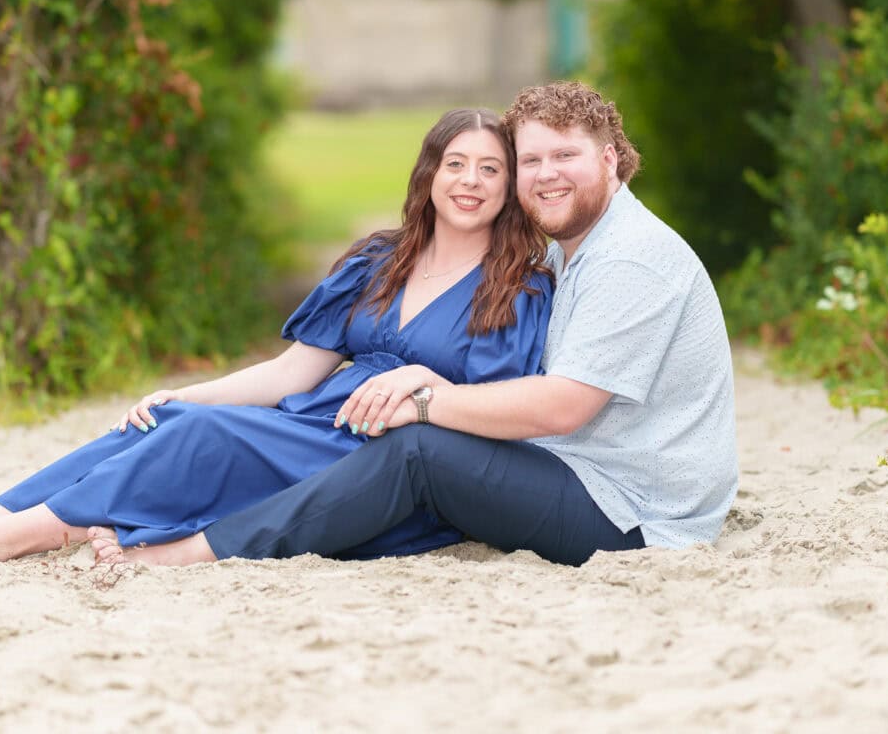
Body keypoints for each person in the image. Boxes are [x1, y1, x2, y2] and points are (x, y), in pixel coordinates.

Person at [90, 81, 738, 569]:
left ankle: (194, 553)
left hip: (633, 514)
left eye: (564, 156)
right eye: (532, 161)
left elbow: (564, 405)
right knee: (397, 445)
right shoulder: (587, 247)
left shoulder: (630, 257)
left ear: (613, 161)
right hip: (595, 478)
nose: (545, 175)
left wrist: (427, 398)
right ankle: (156, 520)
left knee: (416, 448)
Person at [0, 108, 552, 561]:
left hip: (379, 456)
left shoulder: (516, 288)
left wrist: (427, 383)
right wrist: (185, 391)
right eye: (455, 164)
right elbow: (291, 374)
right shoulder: (379, 260)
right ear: (428, 174)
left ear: (509, 188)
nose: (470, 182)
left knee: (203, 436)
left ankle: (4, 542)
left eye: (490, 169)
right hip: (311, 421)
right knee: (165, 420)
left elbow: (490, 411)